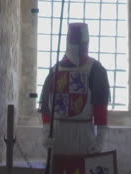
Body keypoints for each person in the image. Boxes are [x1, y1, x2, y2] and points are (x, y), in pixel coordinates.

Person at [39, 22, 110, 155]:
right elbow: (46, 106)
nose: (78, 47)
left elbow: (100, 106)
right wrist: (46, 131)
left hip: (83, 136)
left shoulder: (95, 70)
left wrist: (100, 138)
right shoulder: (55, 70)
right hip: (58, 135)